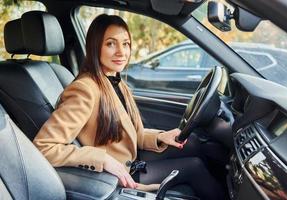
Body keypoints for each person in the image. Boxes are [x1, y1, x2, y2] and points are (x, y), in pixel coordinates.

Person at [33, 14, 224, 200]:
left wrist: (160, 137)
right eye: (110, 44)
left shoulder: (115, 81)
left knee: (194, 143)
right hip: (119, 175)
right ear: (95, 47)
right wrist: (102, 159)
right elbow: (44, 147)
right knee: (194, 167)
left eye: (125, 44)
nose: (121, 52)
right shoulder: (84, 89)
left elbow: (131, 133)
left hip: (131, 159)